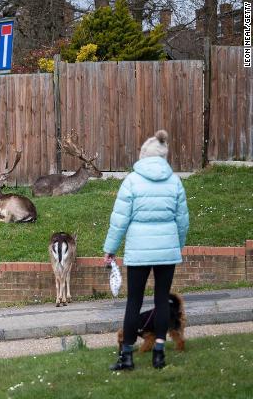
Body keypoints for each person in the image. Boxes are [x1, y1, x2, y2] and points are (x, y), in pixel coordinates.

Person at [103, 130, 189, 370]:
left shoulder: (132, 181)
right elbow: (183, 221)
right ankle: (159, 353)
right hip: (167, 252)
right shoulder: (175, 181)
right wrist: (177, 247)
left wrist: (110, 249)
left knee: (134, 302)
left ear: (143, 155)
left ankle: (127, 357)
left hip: (138, 253)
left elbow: (119, 220)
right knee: (162, 300)